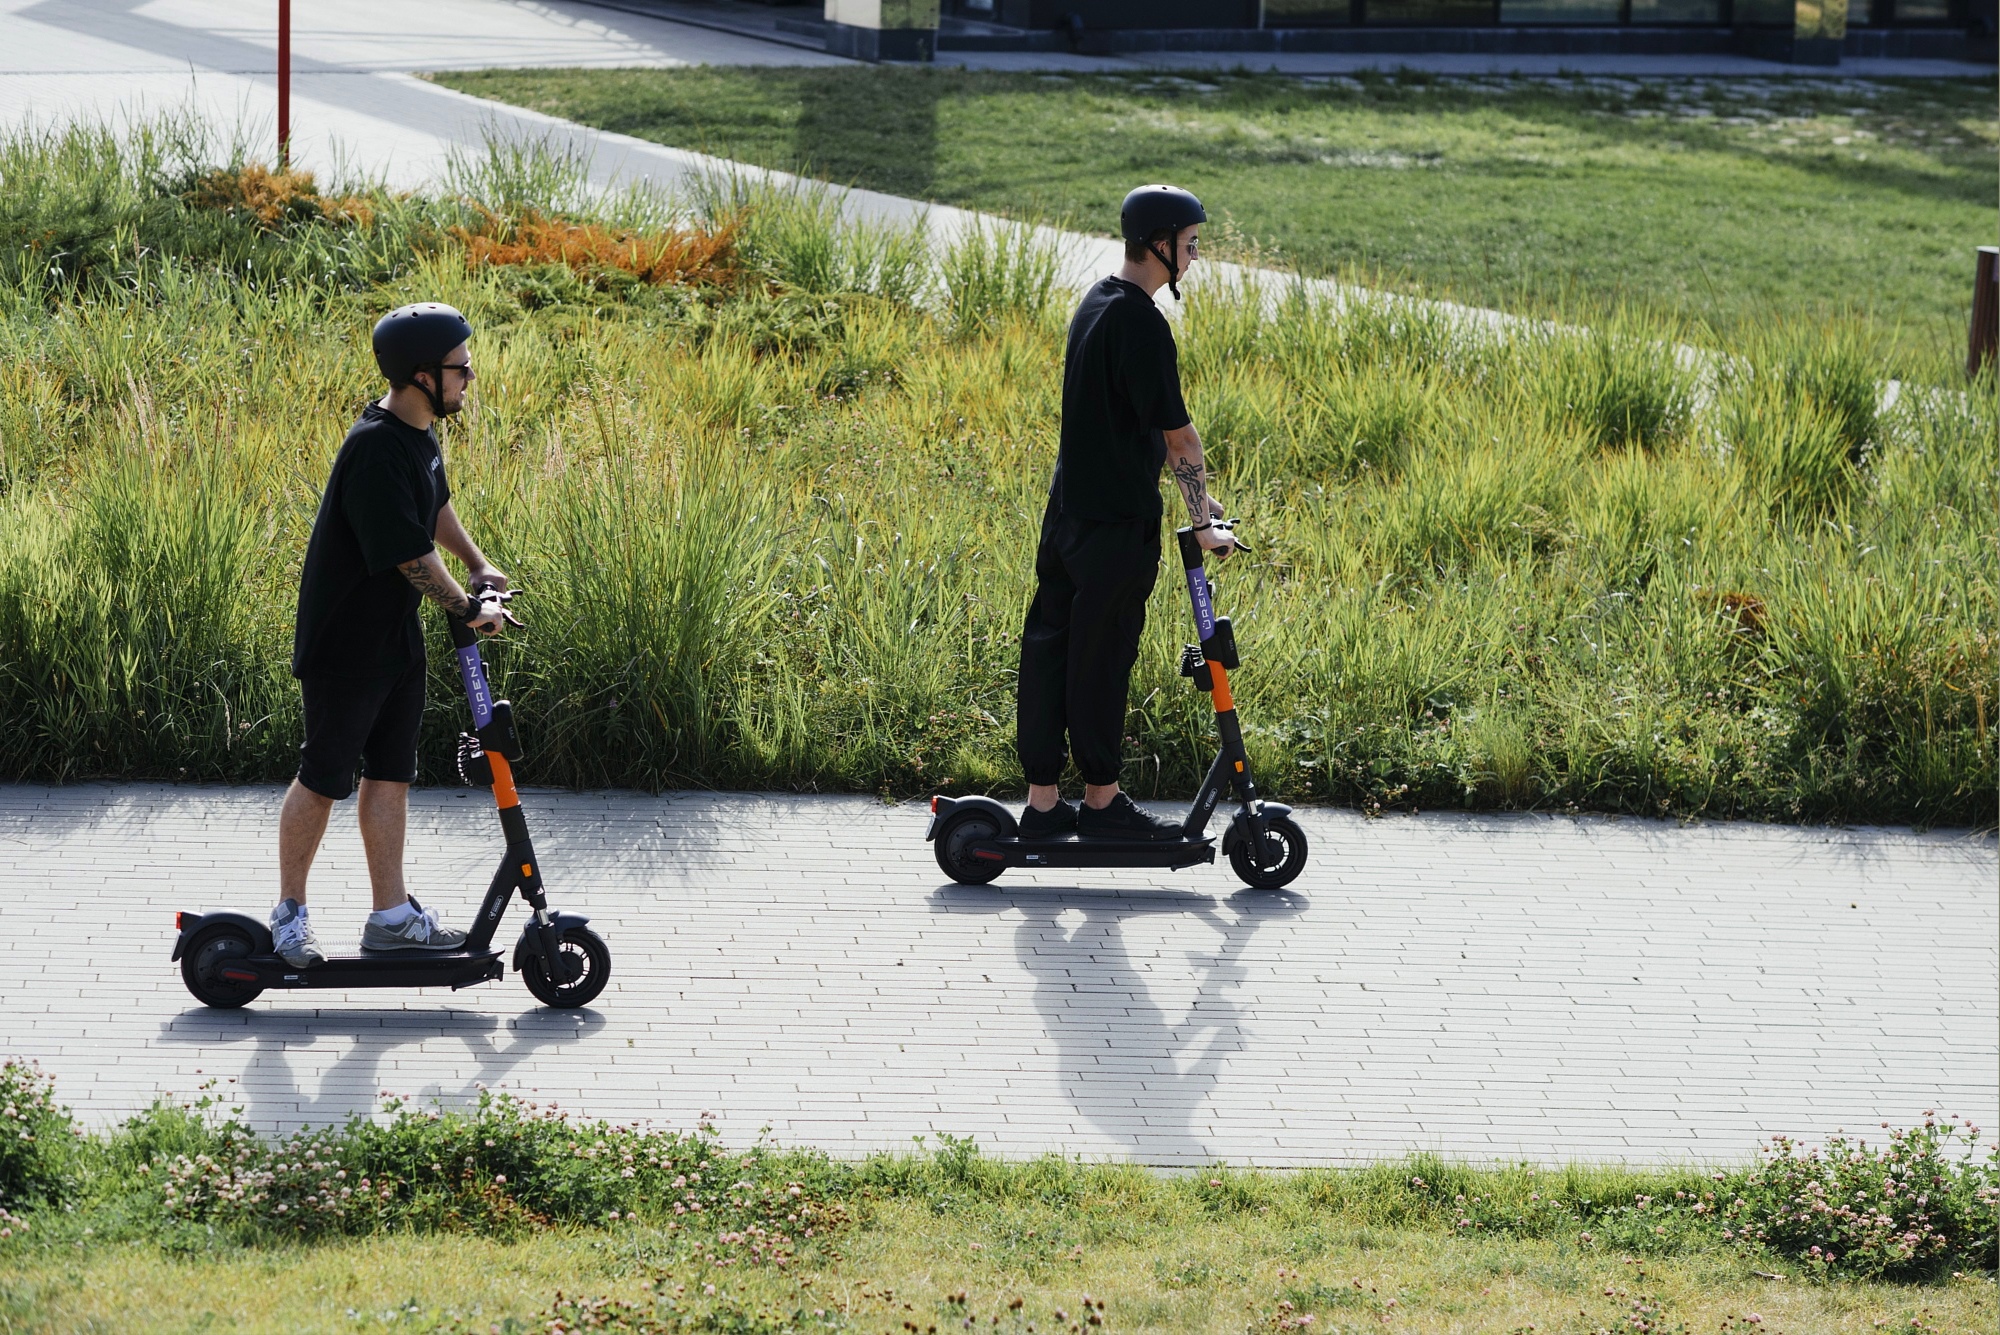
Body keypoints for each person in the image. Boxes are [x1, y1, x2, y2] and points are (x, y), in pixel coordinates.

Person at [269, 302, 509, 968]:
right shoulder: (374, 449)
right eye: (460, 366)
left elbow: (433, 508)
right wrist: (466, 606)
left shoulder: (418, 434)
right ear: (422, 374)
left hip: (393, 638)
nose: (470, 376)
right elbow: (408, 554)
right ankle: (289, 913)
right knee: (322, 777)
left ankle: (391, 917)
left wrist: (477, 562)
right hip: (346, 647)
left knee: (391, 778)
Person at [1015, 184, 1238, 842]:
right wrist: (1204, 524)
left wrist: (1199, 496)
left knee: (1050, 654)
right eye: (1190, 245)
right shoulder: (1142, 324)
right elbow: (1180, 438)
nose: (1195, 257)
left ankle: (1044, 804)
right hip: (1115, 534)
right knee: (1102, 661)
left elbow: (1114, 423)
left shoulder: (1095, 303)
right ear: (1160, 245)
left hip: (1067, 520)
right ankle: (1105, 804)